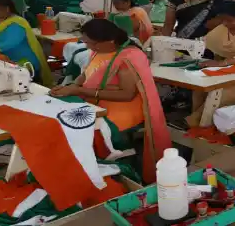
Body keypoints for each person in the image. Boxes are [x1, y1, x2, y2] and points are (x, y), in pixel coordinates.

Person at [49, 19, 171, 183]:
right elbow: (86, 74)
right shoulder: (98, 51)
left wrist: (79, 90)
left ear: (110, 40)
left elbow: (127, 94)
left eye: (91, 43)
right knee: (61, 119)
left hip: (124, 107)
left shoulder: (130, 56)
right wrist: (73, 84)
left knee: (86, 127)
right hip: (96, 99)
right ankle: (82, 167)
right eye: (86, 42)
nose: (88, 47)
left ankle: (112, 168)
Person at [0, 0, 53, 87]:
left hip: (25, 62)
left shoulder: (17, 23)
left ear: (7, 9)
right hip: (7, 59)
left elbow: (9, 44)